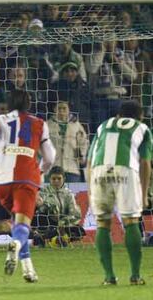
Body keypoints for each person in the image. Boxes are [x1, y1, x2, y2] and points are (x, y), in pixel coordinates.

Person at [0, 89, 56, 283]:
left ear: (9, 103)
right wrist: (41, 171)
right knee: (22, 226)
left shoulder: (0, 118)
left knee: (16, 222)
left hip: (1, 178)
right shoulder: (39, 123)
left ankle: (28, 270)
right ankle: (15, 244)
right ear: (28, 104)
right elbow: (50, 158)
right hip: (25, 177)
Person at [87, 100, 151, 285]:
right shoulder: (143, 128)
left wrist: (91, 188)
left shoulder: (103, 126)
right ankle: (135, 276)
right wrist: (144, 192)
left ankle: (109, 276)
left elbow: (89, 161)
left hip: (99, 172)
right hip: (126, 170)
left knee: (102, 223)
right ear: (140, 116)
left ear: (118, 115)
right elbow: (145, 163)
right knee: (131, 221)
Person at [33, 166, 85, 247]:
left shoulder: (69, 194)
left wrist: (62, 222)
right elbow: (38, 209)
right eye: (53, 179)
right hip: (48, 223)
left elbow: (75, 214)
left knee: (79, 231)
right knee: (40, 217)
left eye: (59, 178)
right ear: (49, 179)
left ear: (64, 178)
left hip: (63, 223)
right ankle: (47, 238)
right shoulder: (43, 192)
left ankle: (54, 240)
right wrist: (47, 208)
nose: (56, 181)